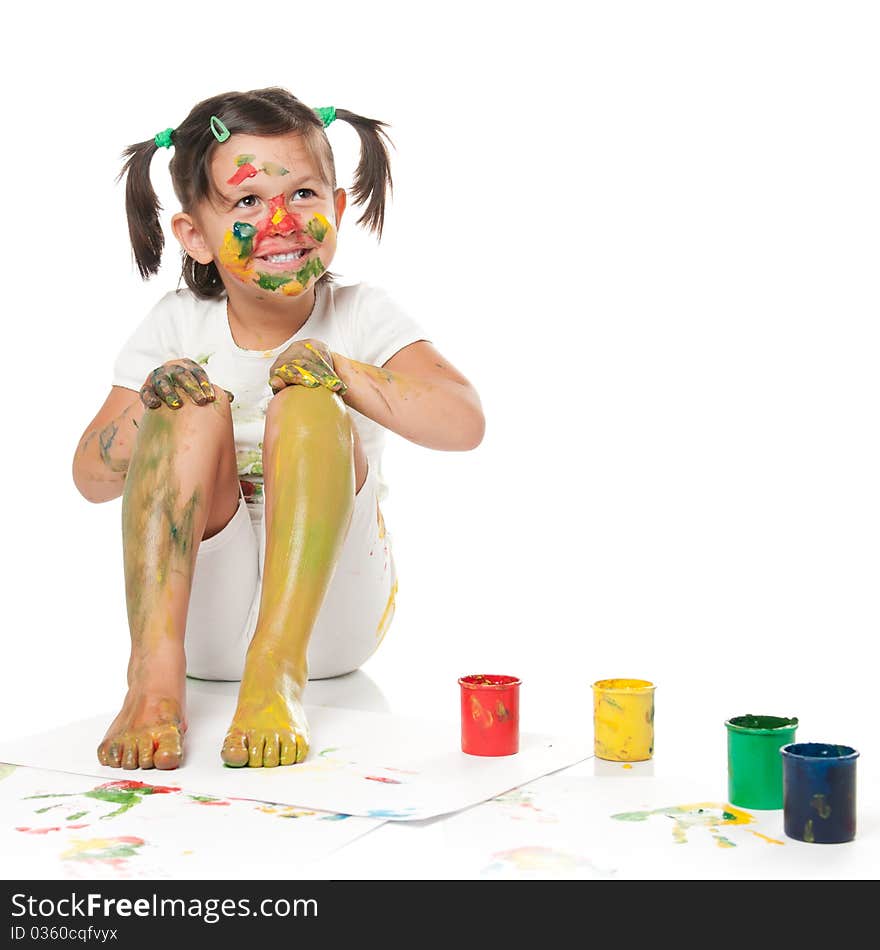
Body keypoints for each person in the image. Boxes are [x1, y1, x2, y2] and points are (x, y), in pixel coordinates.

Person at [71, 88, 485, 772]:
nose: (281, 221)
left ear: (338, 207)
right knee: (184, 400)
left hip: (331, 625)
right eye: (246, 202)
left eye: (302, 195)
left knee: (307, 396)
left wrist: (339, 370)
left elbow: (463, 422)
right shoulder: (176, 323)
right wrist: (152, 401)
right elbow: (89, 477)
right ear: (195, 236)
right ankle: (150, 678)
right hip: (197, 627)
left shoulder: (361, 315)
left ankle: (276, 674)